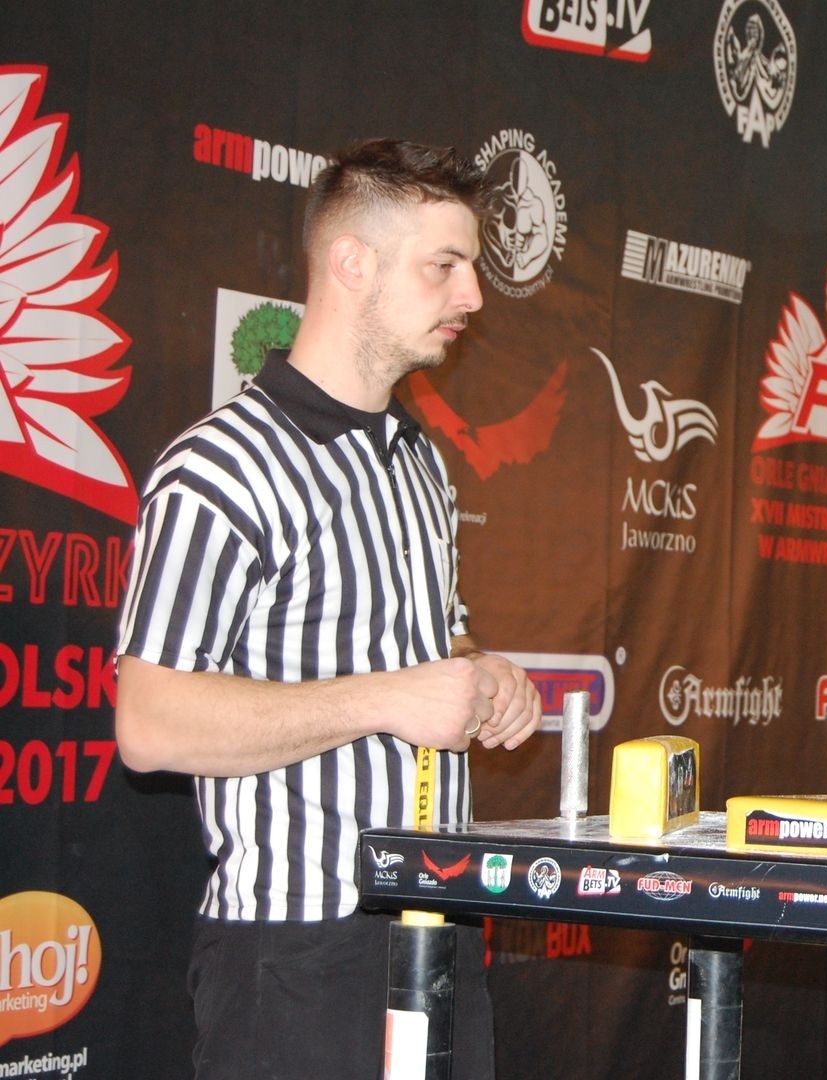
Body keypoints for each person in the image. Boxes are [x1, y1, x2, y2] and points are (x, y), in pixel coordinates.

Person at [115, 138, 542, 1079]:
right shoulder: (220, 468)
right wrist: (387, 698)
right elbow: (147, 724)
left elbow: (428, 640)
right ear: (352, 264)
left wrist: (478, 673)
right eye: (444, 266)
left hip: (440, 927)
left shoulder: (417, 460)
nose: (474, 295)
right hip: (296, 954)